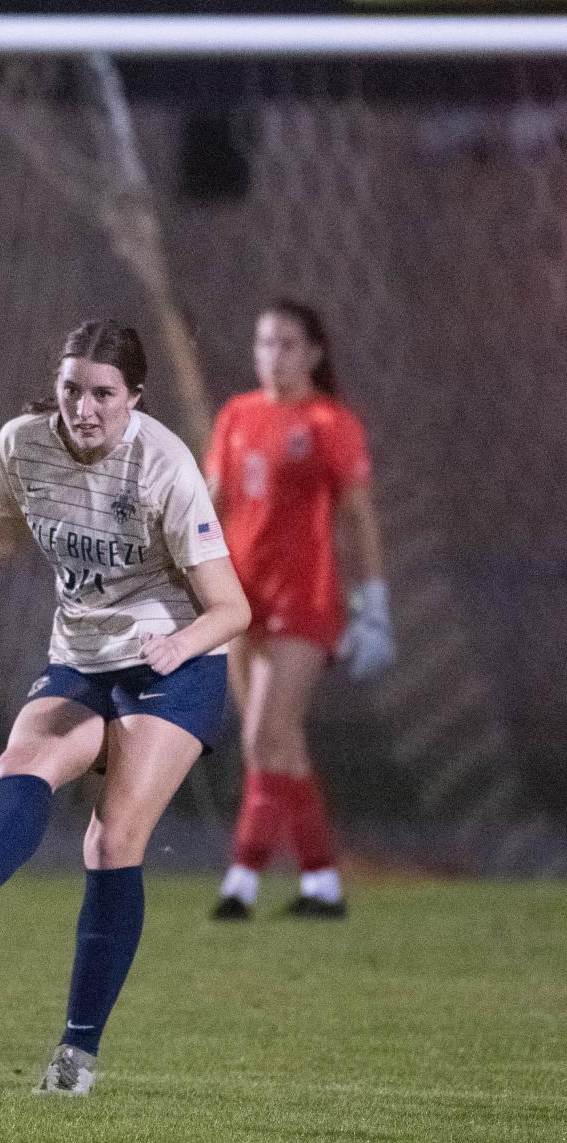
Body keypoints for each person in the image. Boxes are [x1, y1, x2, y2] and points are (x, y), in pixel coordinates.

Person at [0, 319, 252, 1095]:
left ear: (134, 397)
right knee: (22, 760)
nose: (84, 408)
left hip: (174, 664)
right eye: (71, 389)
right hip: (85, 656)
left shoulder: (164, 466)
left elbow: (234, 609)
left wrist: (180, 644)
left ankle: (76, 1055)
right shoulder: (24, 443)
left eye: (102, 393)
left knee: (110, 838)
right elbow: (7, 530)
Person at [205, 300, 394, 922]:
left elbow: (358, 517)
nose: (274, 356)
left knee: (266, 734)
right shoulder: (237, 414)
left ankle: (241, 881)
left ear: (314, 353)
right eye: (265, 343)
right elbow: (212, 502)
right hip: (239, 600)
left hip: (304, 600)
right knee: (277, 745)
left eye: (288, 344)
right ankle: (323, 885)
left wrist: (374, 607)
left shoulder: (328, 421)